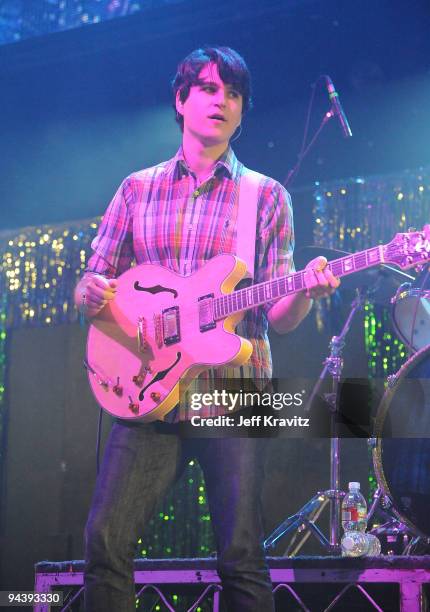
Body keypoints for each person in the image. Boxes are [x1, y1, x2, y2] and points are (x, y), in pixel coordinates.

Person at [74, 46, 340, 612]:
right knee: (104, 540)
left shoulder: (265, 197)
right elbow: (94, 287)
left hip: (234, 393)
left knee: (240, 555)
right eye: (210, 88)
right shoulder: (136, 189)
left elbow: (279, 317)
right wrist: (87, 293)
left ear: (243, 112)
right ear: (181, 99)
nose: (222, 100)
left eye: (235, 93)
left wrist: (306, 296)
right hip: (146, 393)